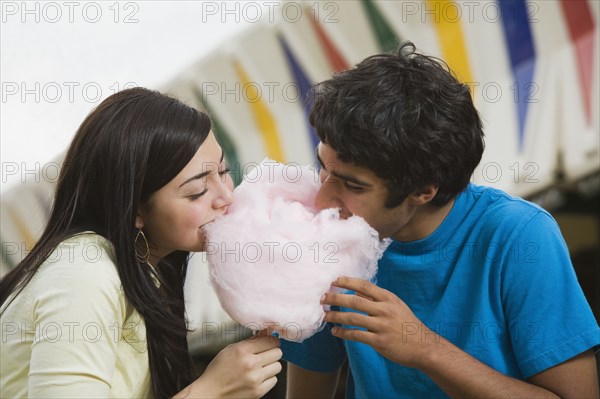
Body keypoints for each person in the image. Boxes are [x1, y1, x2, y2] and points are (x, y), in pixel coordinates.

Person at [282, 42, 600, 398]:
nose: (324, 199)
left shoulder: (518, 236)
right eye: (323, 169)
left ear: (423, 190)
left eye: (354, 185)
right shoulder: (326, 246)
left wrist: (425, 349)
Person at [0, 87, 282, 398]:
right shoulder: (84, 275)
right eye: (197, 191)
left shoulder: (143, 273)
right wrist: (212, 389)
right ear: (134, 209)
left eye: (223, 171)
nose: (227, 196)